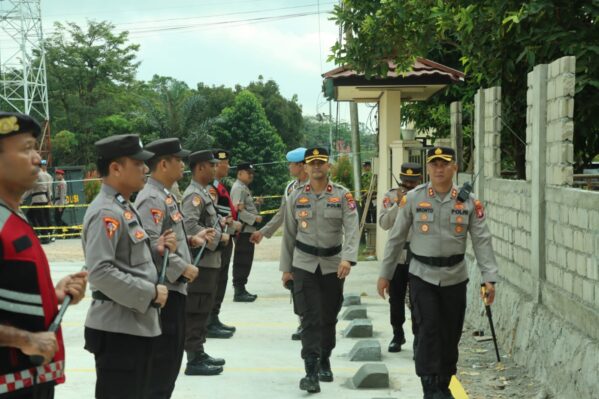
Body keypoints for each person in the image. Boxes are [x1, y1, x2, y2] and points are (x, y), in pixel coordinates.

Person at [378, 146, 498, 399]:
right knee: (428, 328)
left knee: (450, 332)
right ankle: (430, 386)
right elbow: (396, 238)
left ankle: (443, 382)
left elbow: (482, 241)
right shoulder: (413, 198)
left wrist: (489, 278)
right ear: (429, 168)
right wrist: (385, 273)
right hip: (422, 275)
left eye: (445, 164)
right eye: (434, 164)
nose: (439, 168)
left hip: (455, 276)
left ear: (454, 167)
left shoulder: (469, 201)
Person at [0, 111, 87, 399]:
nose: (37, 158)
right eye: (26, 149)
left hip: (30, 381)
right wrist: (24, 339)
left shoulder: (13, 216)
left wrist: (53, 294)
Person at [82, 134, 177, 399]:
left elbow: (126, 257)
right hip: (119, 329)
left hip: (133, 324)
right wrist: (150, 293)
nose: (145, 170)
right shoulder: (106, 212)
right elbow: (100, 272)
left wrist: (156, 247)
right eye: (137, 164)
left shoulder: (123, 205)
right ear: (115, 168)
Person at [134, 138, 215, 397]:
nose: (183, 164)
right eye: (178, 160)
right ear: (164, 164)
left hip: (175, 290)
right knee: (163, 365)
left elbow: (169, 236)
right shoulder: (151, 199)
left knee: (170, 364)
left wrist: (191, 240)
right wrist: (181, 267)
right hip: (166, 292)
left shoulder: (166, 195)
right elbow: (148, 244)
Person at [280, 147, 360, 394]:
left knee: (328, 316)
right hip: (303, 264)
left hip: (333, 265)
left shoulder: (342, 196)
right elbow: (289, 234)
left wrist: (348, 258)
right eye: (311, 163)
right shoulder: (296, 196)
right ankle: (310, 371)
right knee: (310, 318)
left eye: (320, 163)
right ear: (305, 167)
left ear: (328, 166)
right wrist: (286, 269)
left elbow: (352, 228)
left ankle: (325, 357)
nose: (316, 167)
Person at [250, 147, 308, 340]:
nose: (289, 167)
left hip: (314, 244)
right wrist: (263, 232)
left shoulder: (316, 186)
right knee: (296, 285)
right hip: (296, 245)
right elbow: (282, 214)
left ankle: (315, 322)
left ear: (301, 165)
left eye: (291, 164)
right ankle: (303, 322)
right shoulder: (291, 188)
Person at [182, 150, 230, 376]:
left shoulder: (204, 193)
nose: (215, 168)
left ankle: (199, 351)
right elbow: (189, 227)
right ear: (200, 167)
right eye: (212, 165)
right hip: (201, 261)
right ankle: (193, 357)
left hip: (210, 261)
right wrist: (219, 238)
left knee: (204, 309)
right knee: (196, 310)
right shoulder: (193, 195)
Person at [378, 162, 422, 354]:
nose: (408, 186)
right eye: (405, 182)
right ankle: (398, 334)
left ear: (419, 181)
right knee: (395, 299)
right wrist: (398, 204)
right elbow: (384, 223)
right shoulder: (390, 196)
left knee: (418, 301)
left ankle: (418, 339)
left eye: (412, 183)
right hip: (397, 256)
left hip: (419, 256)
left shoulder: (425, 197)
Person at [206, 149, 240, 338]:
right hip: (220, 240)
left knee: (222, 280)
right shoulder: (211, 188)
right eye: (225, 163)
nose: (228, 166)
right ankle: (210, 321)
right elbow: (213, 215)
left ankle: (214, 317)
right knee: (215, 281)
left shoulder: (219, 185)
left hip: (226, 238)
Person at [230, 162, 262, 302]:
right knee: (242, 260)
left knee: (246, 260)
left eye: (252, 173)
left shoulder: (243, 188)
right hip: (243, 230)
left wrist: (255, 205)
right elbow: (238, 211)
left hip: (247, 230)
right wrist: (254, 219)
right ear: (239, 173)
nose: (251, 175)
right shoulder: (238, 188)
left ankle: (241, 289)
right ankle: (239, 291)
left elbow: (243, 207)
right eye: (248, 172)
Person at [24, 159, 53, 244]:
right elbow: (49, 189)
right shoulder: (47, 175)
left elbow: (30, 189)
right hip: (44, 199)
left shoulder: (36, 175)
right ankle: (41, 234)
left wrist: (21, 198)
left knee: (36, 217)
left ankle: (43, 236)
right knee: (39, 217)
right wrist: (49, 200)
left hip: (37, 199)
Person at [53, 169, 68, 236]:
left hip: (60, 202)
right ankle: (63, 231)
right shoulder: (60, 182)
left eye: (58, 175)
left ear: (61, 175)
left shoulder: (62, 183)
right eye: (56, 174)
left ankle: (63, 232)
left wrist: (60, 205)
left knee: (57, 218)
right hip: (58, 202)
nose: (56, 176)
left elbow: (62, 195)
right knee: (57, 218)